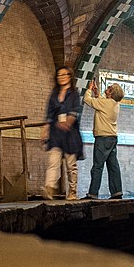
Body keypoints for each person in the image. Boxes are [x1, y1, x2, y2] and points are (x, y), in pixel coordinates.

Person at [42, 66, 83, 201]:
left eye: (64, 75)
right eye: (59, 75)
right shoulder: (54, 93)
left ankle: (72, 191)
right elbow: (49, 113)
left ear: (70, 76)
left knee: (71, 164)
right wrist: (46, 128)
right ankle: (49, 187)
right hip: (56, 133)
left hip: (70, 133)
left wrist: (68, 122)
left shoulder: (74, 94)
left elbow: (75, 111)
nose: (61, 77)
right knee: (53, 161)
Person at [83, 79, 125, 200]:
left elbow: (87, 100)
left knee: (97, 166)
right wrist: (97, 93)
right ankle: (117, 192)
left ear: (111, 93)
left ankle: (93, 193)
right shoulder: (115, 104)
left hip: (103, 139)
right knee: (113, 166)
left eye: (109, 88)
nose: (107, 89)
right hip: (112, 138)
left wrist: (90, 89)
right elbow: (101, 102)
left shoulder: (105, 103)